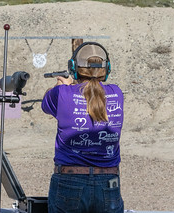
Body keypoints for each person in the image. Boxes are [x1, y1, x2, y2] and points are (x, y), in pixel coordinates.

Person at [42, 42, 124, 213]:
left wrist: (62, 85)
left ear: (73, 67)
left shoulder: (62, 93)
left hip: (69, 180)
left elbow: (46, 105)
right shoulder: (117, 93)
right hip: (108, 181)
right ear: (106, 68)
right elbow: (93, 95)